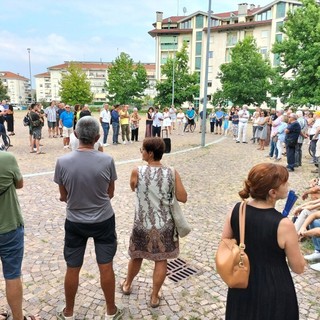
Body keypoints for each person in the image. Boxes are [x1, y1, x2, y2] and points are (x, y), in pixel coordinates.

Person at [54, 116, 123, 320]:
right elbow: (110, 193)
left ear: (75, 135)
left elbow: (63, 196)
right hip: (103, 220)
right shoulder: (107, 160)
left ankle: (68, 312)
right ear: (98, 136)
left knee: (72, 267)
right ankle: (110, 310)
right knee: (106, 265)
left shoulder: (62, 162)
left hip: (75, 221)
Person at [221, 163, 305, 320]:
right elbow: (298, 267)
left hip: (241, 283)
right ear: (273, 192)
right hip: (273, 287)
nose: (288, 185)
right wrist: (295, 242)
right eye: (285, 183)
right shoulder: (283, 224)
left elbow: (225, 241)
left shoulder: (237, 210)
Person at [121, 137, 187, 308]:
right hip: (164, 224)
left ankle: (127, 285)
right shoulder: (172, 172)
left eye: (142, 149)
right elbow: (183, 197)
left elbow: (133, 187)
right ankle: (154, 296)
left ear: (150, 153)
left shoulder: (137, 171)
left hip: (142, 223)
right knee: (161, 259)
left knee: (137, 256)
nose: (141, 152)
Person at [0, 151, 41, 320]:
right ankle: (18, 317)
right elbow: (19, 183)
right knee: (12, 275)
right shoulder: (6, 159)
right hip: (8, 224)